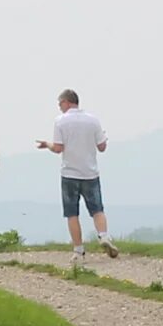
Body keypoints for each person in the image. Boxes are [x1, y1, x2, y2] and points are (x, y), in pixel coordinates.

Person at [37, 87, 114, 263]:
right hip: (90, 172)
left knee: (72, 213)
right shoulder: (93, 120)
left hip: (70, 173)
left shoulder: (60, 121)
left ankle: (79, 250)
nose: (59, 107)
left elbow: (58, 148)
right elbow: (102, 147)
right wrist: (105, 139)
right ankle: (103, 236)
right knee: (97, 209)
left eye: (60, 104)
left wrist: (46, 144)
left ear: (66, 102)